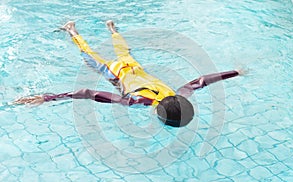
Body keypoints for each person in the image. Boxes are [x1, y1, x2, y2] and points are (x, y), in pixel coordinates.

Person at [14, 20, 242, 127]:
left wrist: (235, 72)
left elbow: (201, 81)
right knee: (89, 55)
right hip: (114, 73)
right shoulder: (135, 101)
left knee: (124, 51)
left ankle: (112, 28)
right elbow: (87, 92)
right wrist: (47, 97)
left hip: (133, 67)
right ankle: (71, 29)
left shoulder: (179, 93)